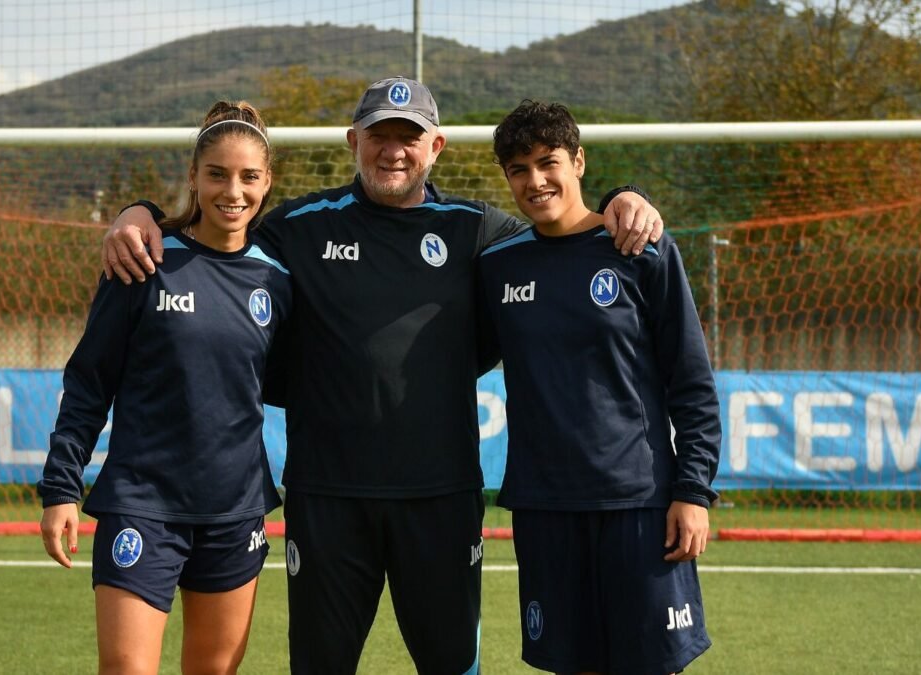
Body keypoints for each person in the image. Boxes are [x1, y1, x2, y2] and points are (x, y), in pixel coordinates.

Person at [102, 77, 664, 674]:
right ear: (354, 141)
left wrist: (625, 197)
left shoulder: (476, 229)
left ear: (436, 147)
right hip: (328, 499)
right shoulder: (300, 226)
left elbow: (562, 228)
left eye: (409, 137)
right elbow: (217, 230)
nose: (393, 151)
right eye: (379, 136)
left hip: (441, 498)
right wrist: (141, 214)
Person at [37, 101, 291, 675]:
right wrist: (60, 488)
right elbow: (89, 381)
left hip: (235, 509)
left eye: (249, 176)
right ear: (193, 177)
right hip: (142, 503)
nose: (233, 191)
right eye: (217, 174)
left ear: (267, 182)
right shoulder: (142, 258)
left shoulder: (278, 277)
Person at [477, 100, 720, 674]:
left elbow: (691, 381)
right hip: (544, 506)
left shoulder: (642, 250)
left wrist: (693, 491)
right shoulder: (497, 266)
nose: (536, 181)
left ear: (579, 162)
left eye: (549, 162)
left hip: (638, 502)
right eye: (518, 169)